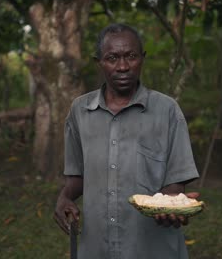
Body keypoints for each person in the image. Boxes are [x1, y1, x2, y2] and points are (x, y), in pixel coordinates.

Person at [54, 23, 200, 259]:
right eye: (112, 58)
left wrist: (172, 207)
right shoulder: (79, 111)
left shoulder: (167, 110)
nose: (123, 66)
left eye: (131, 56)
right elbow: (77, 177)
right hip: (96, 249)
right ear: (99, 62)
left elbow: (175, 185)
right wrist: (64, 197)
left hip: (152, 249)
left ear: (142, 58)